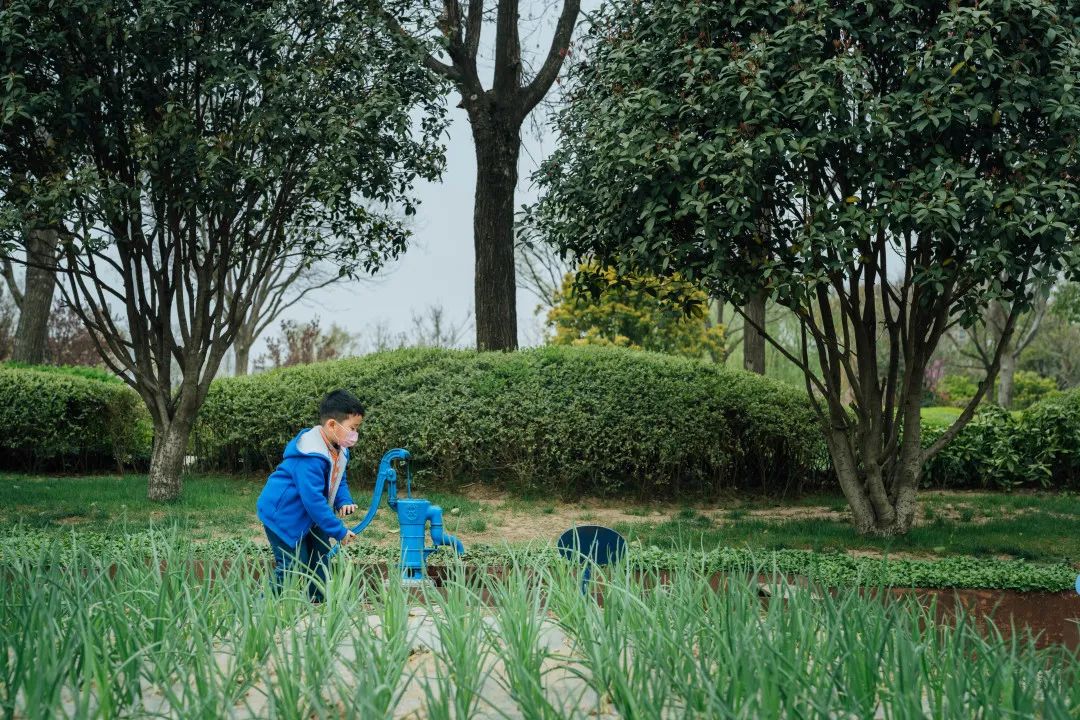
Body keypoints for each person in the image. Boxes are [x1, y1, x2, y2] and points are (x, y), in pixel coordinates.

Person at [256, 389, 363, 601]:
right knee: (292, 566)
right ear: (332, 425)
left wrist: (344, 500)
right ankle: (258, 608)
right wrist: (338, 531)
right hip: (284, 515)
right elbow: (313, 500)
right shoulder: (310, 456)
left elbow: (339, 477)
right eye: (352, 428)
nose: (355, 434)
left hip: (310, 517)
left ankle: (317, 603)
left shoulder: (339, 449)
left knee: (320, 561)